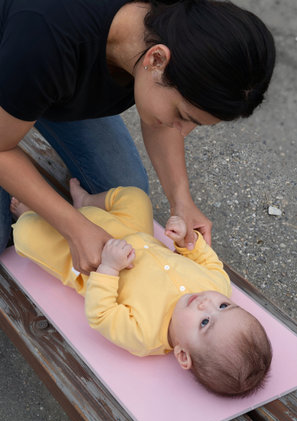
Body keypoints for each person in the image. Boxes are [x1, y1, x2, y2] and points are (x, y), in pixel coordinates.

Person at [0, 0, 275, 274]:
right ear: (156, 58)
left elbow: (163, 119)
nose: (182, 130)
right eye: (182, 115)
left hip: (39, 76)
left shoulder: (179, 31)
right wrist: (73, 227)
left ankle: (27, 105)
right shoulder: (47, 38)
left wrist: (181, 199)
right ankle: (22, 109)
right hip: (27, 59)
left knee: (126, 191)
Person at [11, 179, 272, 396]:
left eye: (204, 323)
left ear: (183, 355)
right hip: (134, 231)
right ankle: (86, 202)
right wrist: (185, 241)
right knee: (135, 196)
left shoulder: (144, 336)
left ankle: (31, 213)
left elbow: (101, 314)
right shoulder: (217, 286)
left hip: (87, 256)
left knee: (25, 234)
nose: (208, 304)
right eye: (224, 306)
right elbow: (207, 260)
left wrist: (109, 268)